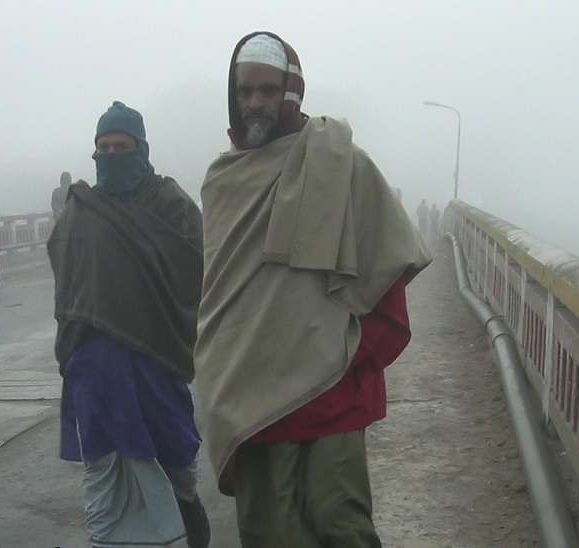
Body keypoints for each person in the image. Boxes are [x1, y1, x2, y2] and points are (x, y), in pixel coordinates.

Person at [195, 31, 433, 547]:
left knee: (339, 526)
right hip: (254, 400)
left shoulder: (341, 162)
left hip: (331, 391)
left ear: (292, 92)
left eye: (267, 90)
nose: (255, 102)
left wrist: (344, 356)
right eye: (244, 91)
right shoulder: (222, 182)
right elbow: (220, 303)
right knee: (270, 534)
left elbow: (385, 275)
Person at [48, 101, 210, 548]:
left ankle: (190, 518)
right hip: (96, 378)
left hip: (159, 365)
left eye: (122, 146)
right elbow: (67, 286)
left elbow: (197, 274)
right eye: (104, 147)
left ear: (142, 149)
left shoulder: (172, 206)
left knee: (180, 471)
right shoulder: (80, 211)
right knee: (101, 488)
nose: (112, 154)